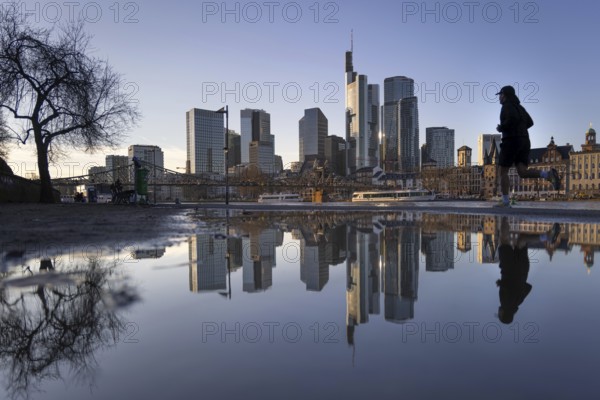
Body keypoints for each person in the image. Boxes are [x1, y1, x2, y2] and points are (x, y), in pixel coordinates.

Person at [494, 85, 560, 207]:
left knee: (502, 171)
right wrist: (521, 129)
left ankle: (505, 201)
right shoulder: (521, 108)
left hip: (511, 141)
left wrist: (502, 127)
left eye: (500, 95)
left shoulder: (506, 106)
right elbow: (530, 122)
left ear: (505, 95)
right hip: (524, 141)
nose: (499, 97)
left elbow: (511, 119)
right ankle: (548, 174)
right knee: (522, 172)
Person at [496, 217, 560, 324]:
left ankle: (548, 236)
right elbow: (507, 287)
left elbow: (528, 287)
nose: (498, 312)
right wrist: (501, 283)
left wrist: (519, 283)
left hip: (523, 269)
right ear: (503, 314)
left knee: (522, 240)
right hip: (509, 269)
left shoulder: (518, 302)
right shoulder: (505, 304)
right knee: (503, 241)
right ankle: (505, 215)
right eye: (499, 315)